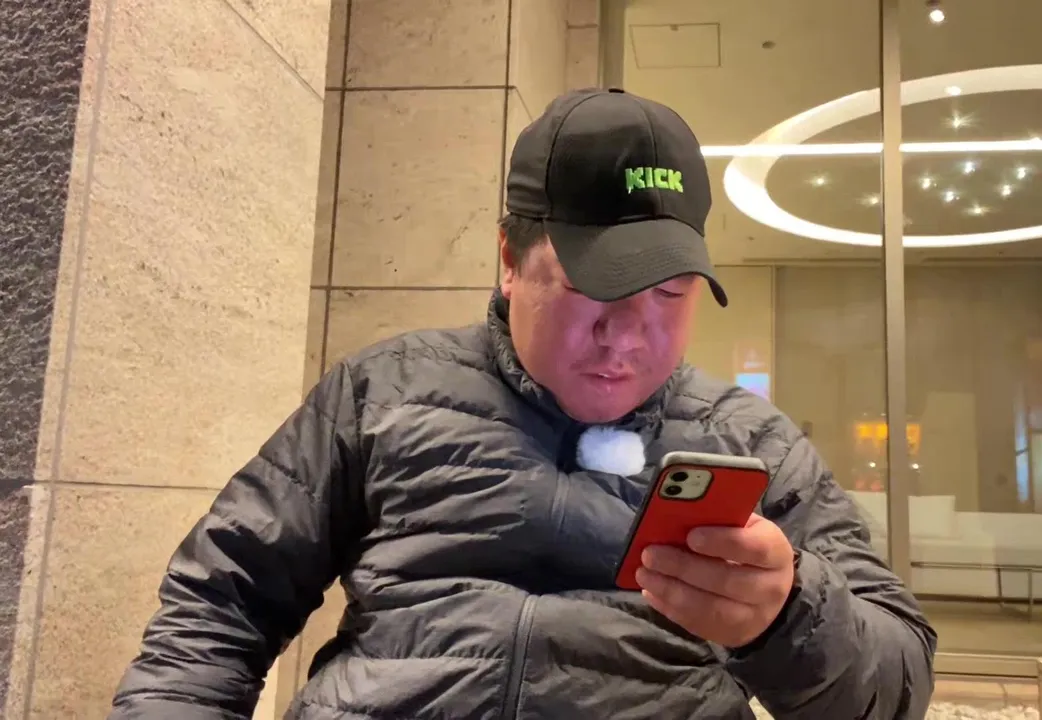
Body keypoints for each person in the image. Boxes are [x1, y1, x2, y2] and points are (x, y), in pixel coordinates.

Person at [110, 88, 936, 719]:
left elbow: (898, 680)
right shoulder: (381, 390)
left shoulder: (751, 441)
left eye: (670, 293)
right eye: (594, 288)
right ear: (510, 259)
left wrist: (787, 616)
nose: (629, 337)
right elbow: (220, 603)